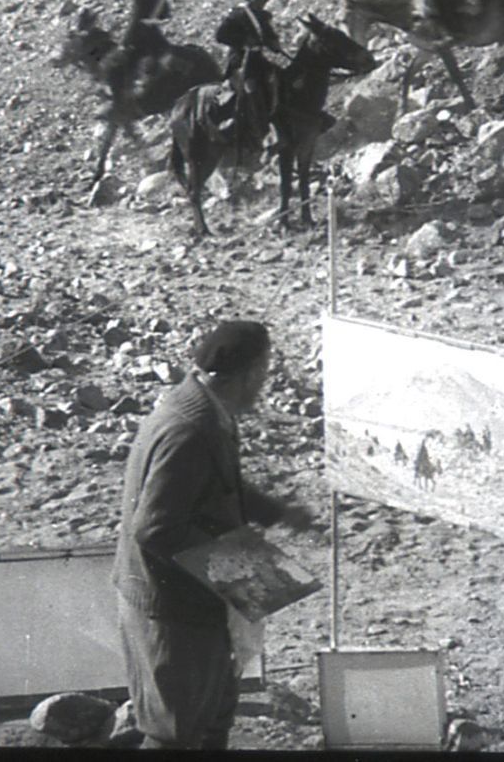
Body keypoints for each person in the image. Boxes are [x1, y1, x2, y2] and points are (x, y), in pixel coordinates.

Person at [111, 321, 316, 749]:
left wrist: (278, 513)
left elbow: (219, 488)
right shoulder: (190, 429)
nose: (264, 382)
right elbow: (155, 528)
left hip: (193, 602)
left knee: (213, 718)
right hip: (170, 608)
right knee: (175, 733)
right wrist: (236, 570)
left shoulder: (208, 410)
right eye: (264, 371)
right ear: (250, 374)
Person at [215, 0, 286, 162]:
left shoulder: (263, 16)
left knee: (284, 80)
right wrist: (243, 40)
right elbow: (220, 36)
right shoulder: (237, 14)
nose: (265, 0)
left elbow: (270, 37)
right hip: (240, 63)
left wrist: (274, 43)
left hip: (258, 61)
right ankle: (263, 138)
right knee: (252, 91)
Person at [119, 0, 172, 103]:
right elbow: (166, 14)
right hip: (157, 36)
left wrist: (124, 41)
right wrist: (153, 21)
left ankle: (125, 104)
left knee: (122, 67)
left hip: (140, 37)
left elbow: (134, 20)